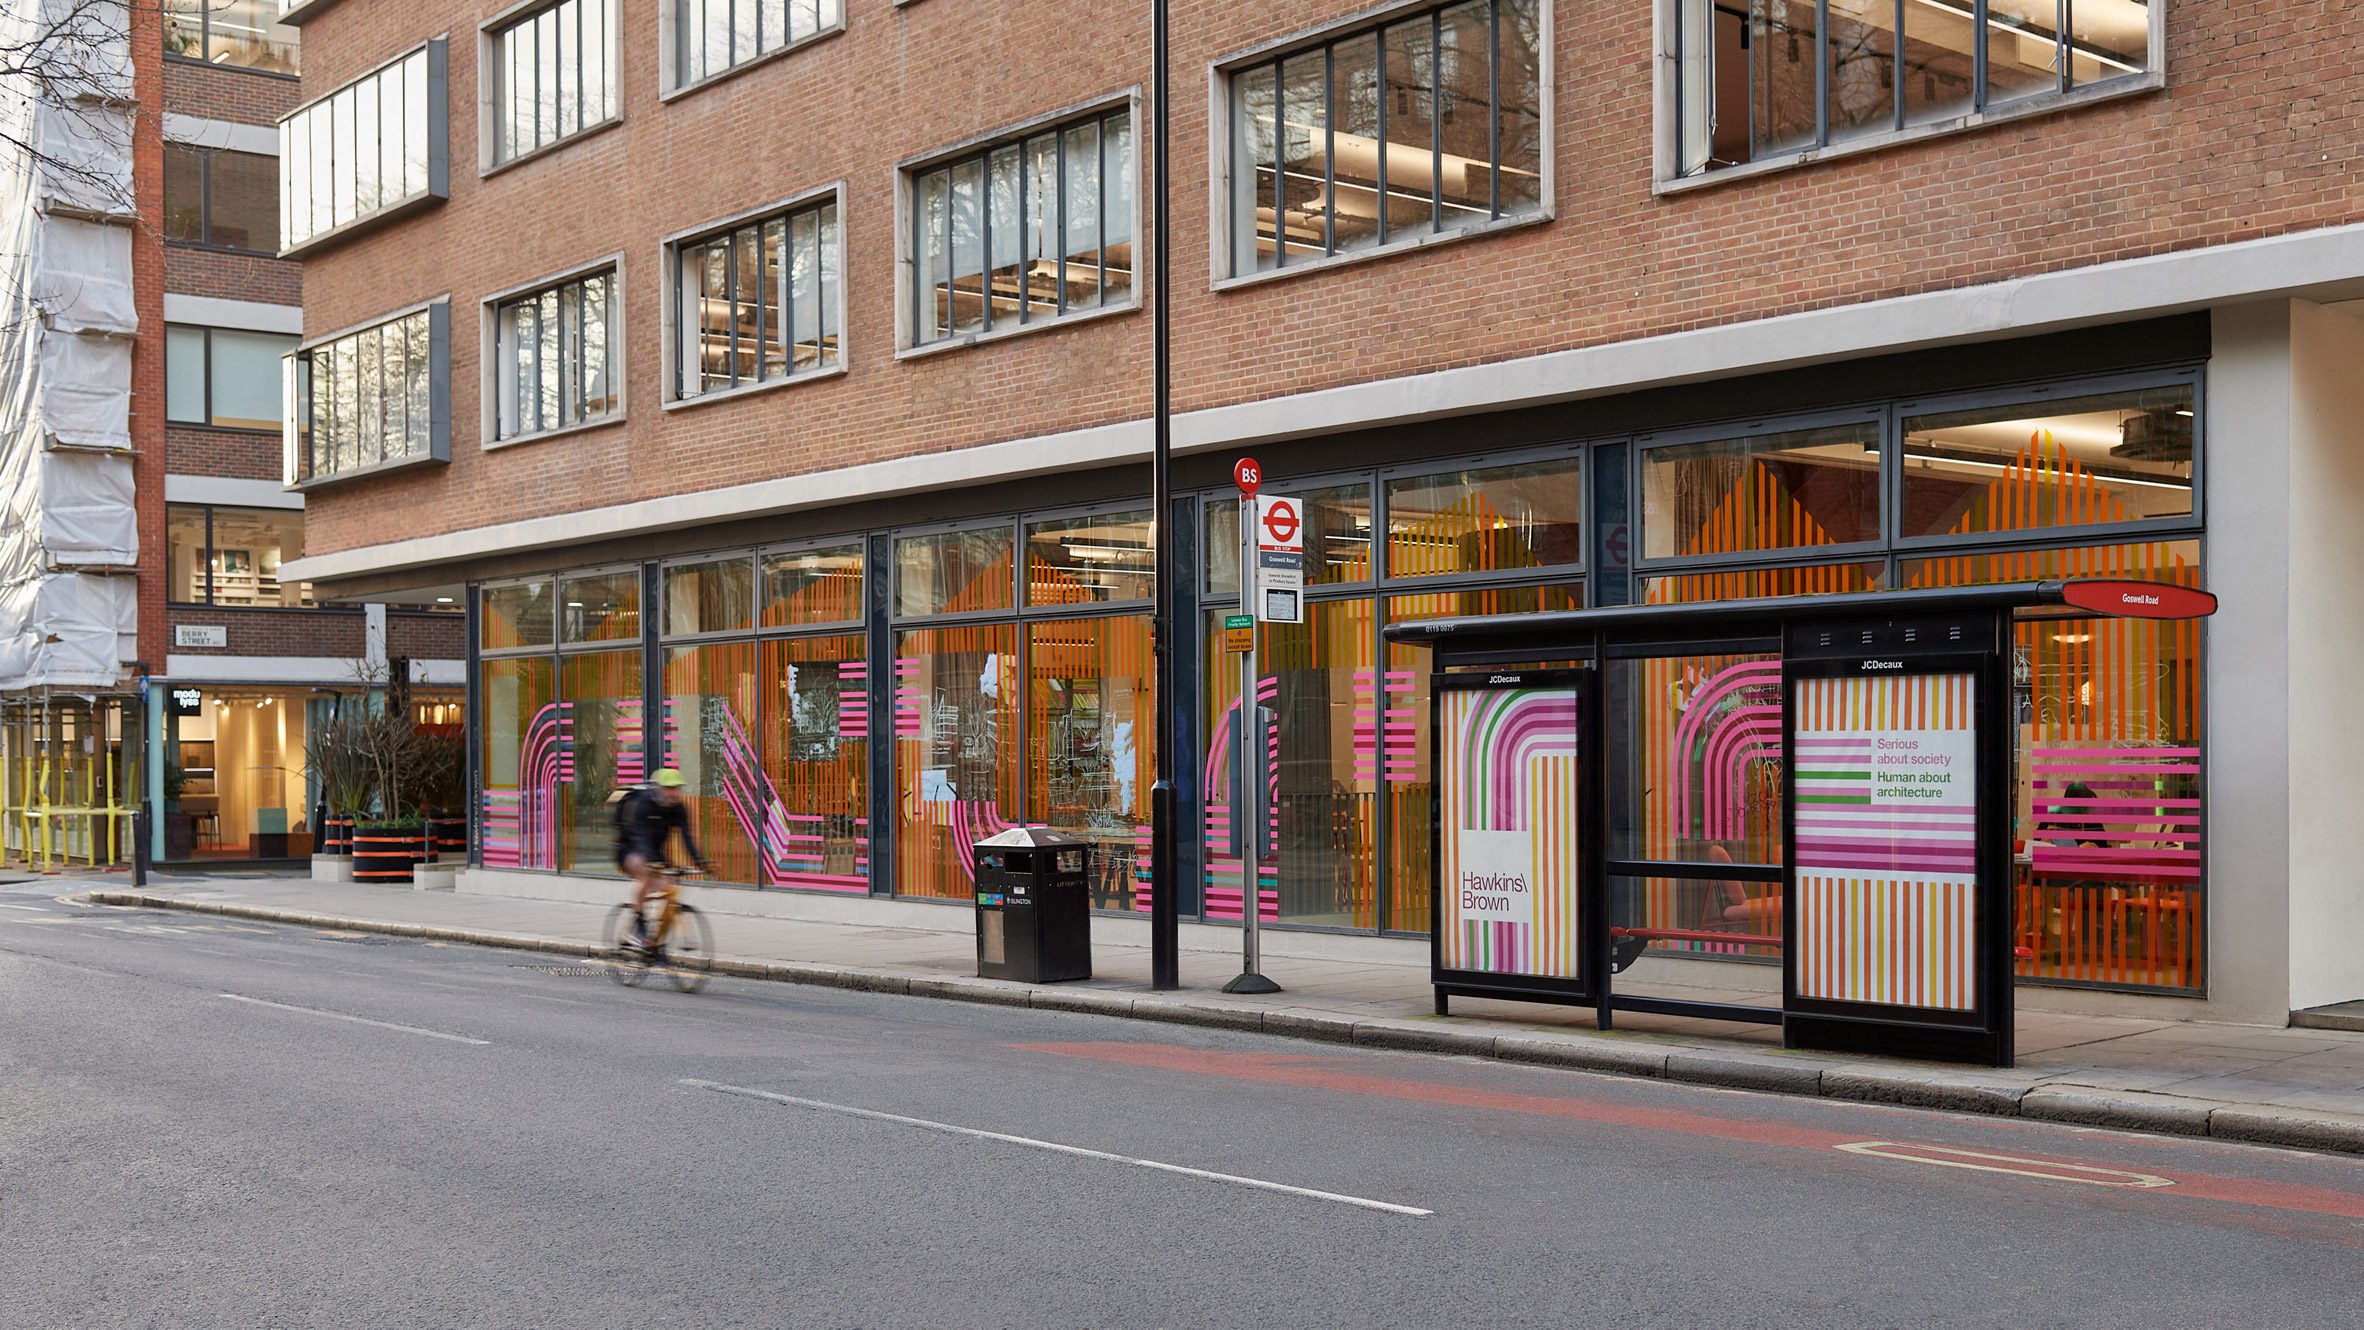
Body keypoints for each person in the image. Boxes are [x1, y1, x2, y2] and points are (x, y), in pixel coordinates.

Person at [615, 767, 707, 950]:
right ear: (659, 789)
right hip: (630, 848)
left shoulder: (678, 808)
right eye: (669, 788)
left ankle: (654, 941)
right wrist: (653, 862)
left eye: (677, 788)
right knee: (647, 876)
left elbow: (687, 837)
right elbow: (641, 837)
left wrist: (700, 862)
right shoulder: (643, 804)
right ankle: (639, 928)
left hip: (654, 852)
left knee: (669, 886)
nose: (674, 792)